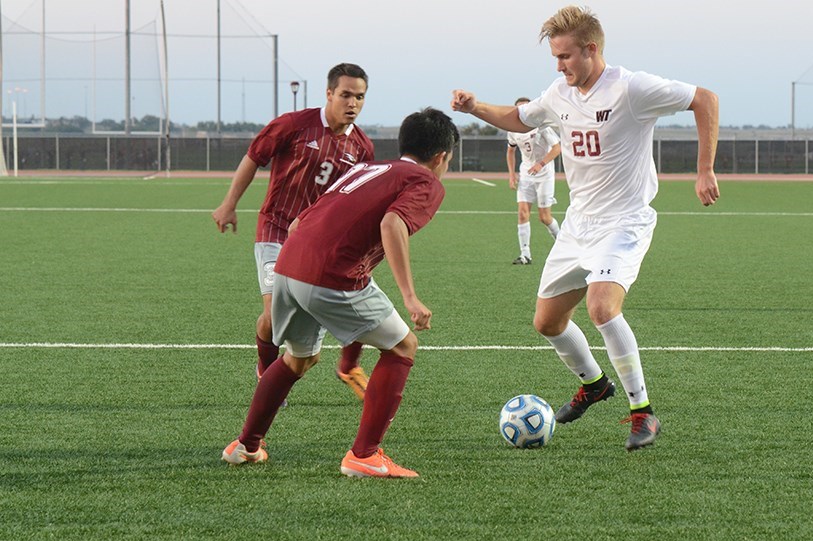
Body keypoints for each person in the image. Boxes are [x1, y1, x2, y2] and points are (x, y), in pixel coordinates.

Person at [451, 5, 719, 451]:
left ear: (591, 49)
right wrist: (475, 107)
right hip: (579, 224)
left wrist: (705, 169)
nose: (559, 66)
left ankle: (643, 413)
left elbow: (704, 99)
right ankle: (594, 385)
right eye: (555, 57)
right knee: (547, 321)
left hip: (624, 221)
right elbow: (520, 118)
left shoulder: (631, 87)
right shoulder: (559, 93)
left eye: (565, 56)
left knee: (601, 308)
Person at [222, 107, 460, 478]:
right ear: (442, 157)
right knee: (403, 346)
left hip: (289, 262)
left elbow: (300, 222)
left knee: (298, 359)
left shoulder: (366, 168)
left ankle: (246, 446)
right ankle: (364, 455)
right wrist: (410, 297)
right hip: (330, 273)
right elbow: (392, 224)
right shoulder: (425, 181)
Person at [212, 63, 375, 401]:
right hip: (276, 229)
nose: (353, 103)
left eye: (360, 97)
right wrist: (229, 204)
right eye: (346, 95)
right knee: (274, 315)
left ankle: (348, 365)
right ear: (329, 93)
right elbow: (254, 157)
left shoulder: (362, 147)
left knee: (354, 297)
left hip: (318, 242)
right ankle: (266, 369)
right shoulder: (294, 125)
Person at [506, 97, 562, 265]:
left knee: (544, 217)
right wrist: (511, 174)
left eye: (525, 108)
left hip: (544, 175)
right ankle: (525, 255)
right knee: (522, 213)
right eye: (519, 109)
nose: (523, 112)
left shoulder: (541, 126)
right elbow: (510, 151)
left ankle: (563, 245)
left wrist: (540, 164)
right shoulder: (512, 130)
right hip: (526, 174)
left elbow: (557, 148)